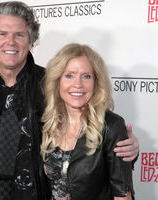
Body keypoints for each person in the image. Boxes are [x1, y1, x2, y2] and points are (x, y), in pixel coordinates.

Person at [0, 1, 139, 200]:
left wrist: (124, 147)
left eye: (19, 35)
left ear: (31, 40)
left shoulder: (50, 87)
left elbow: (86, 132)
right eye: (2, 34)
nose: (10, 42)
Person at [41, 43, 135, 200]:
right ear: (58, 81)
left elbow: (122, 195)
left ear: (96, 82)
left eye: (86, 76)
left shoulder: (111, 127)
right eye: (69, 75)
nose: (77, 84)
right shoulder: (48, 123)